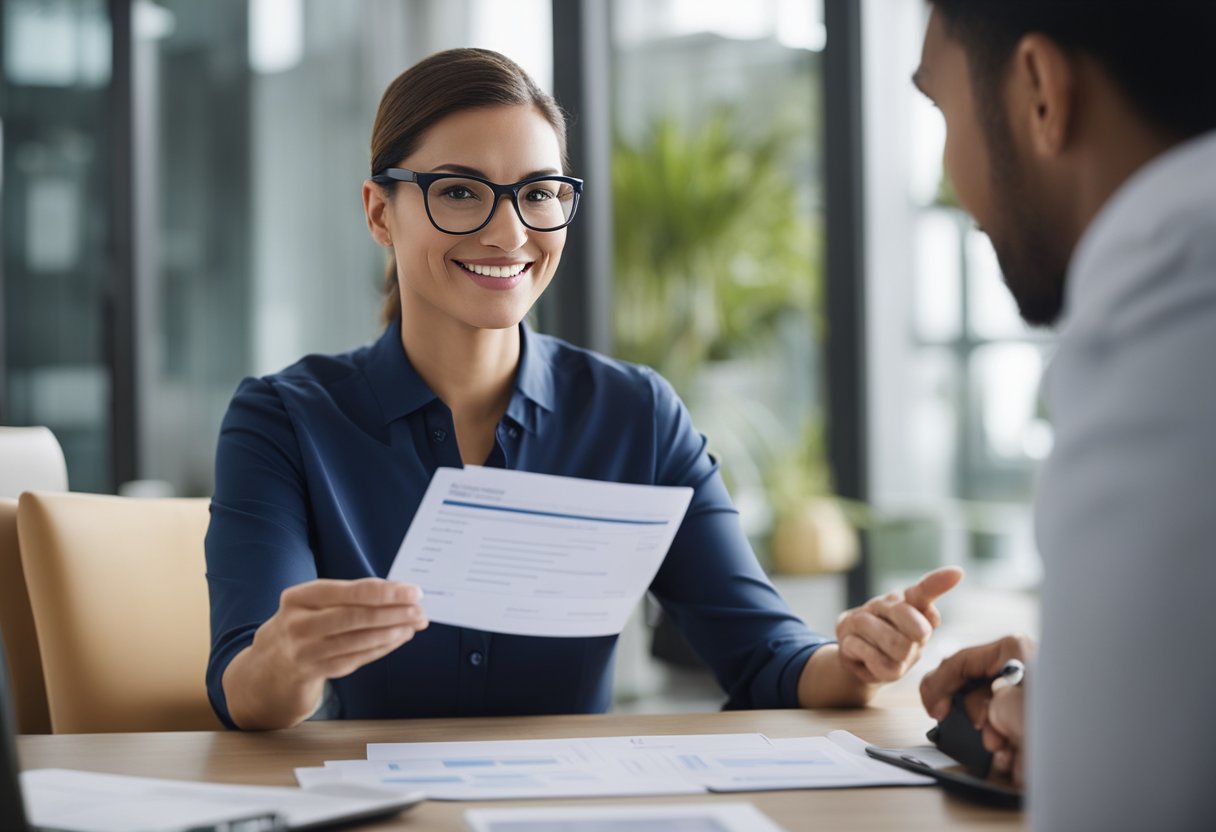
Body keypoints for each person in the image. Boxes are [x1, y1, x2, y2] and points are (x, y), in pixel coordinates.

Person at [205, 47, 962, 732]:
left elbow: (767, 657)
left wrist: (858, 662)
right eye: (462, 193)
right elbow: (246, 686)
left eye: (539, 193)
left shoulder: (636, 415)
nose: (509, 234)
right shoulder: (284, 420)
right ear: (379, 211)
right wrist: (290, 659)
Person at [910, 2, 1216, 828]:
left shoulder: (1171, 304)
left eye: (941, 108)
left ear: (1041, 91)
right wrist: (1080, 689)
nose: (950, 179)